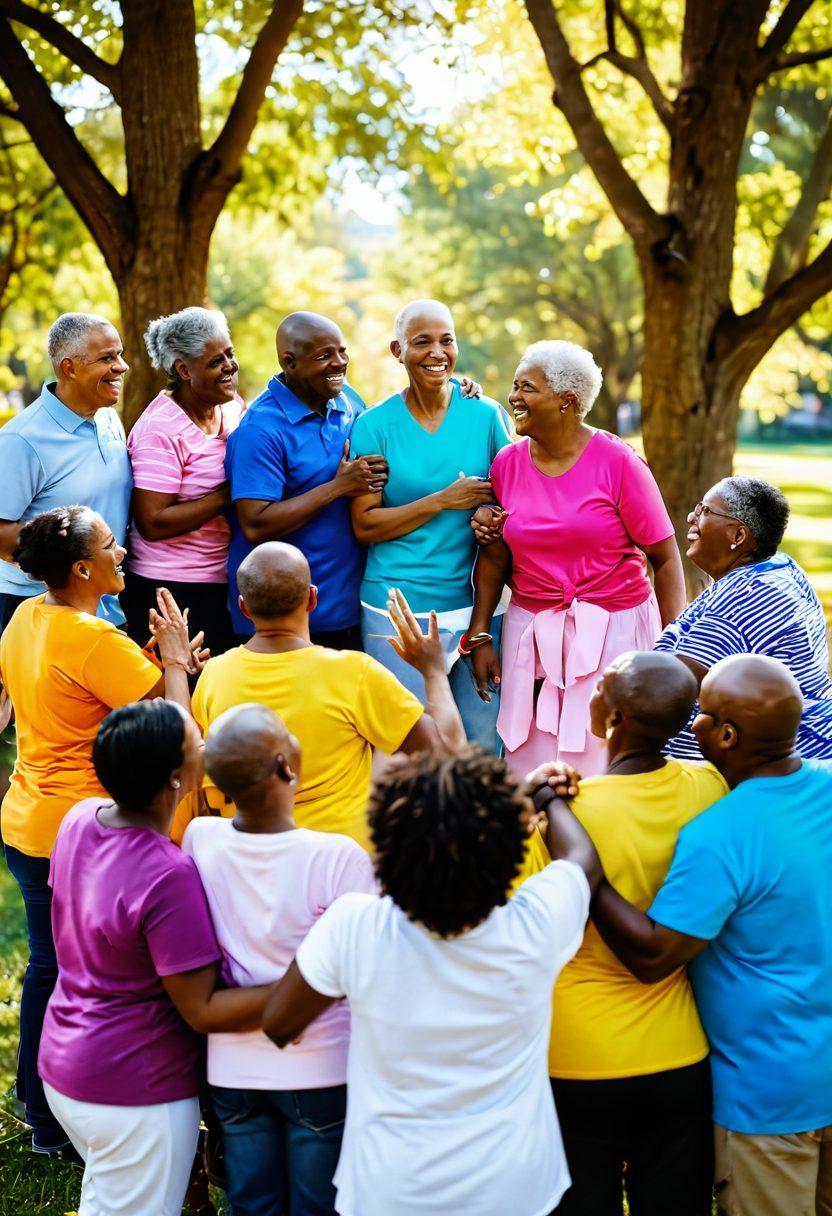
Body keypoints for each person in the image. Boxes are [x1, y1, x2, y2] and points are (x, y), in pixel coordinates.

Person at [262, 748, 601, 1216]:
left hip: (390, 1190)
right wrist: (541, 797)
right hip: (512, 1190)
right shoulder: (534, 926)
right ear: (507, 852)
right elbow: (583, 858)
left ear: (387, 848)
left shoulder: (355, 927)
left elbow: (279, 1022)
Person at [592, 654, 832, 1216]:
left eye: (701, 713)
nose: (691, 723)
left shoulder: (721, 834)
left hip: (769, 1099)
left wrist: (585, 869)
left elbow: (654, 955)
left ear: (727, 736)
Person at [0, 505, 200, 1155]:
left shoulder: (28, 616)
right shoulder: (93, 639)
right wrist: (176, 666)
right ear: (84, 569)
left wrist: (159, 661)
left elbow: (84, 691)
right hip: (75, 834)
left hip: (27, 819)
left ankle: (39, 1107)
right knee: (73, 974)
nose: (123, 552)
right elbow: (174, 734)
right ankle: (56, 1115)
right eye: (111, 544)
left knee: (47, 967)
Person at [39, 700, 278, 1216]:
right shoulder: (168, 874)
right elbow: (202, 1009)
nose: (205, 742)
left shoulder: (77, 820)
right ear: (176, 778)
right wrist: (309, 980)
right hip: (133, 1093)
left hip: (63, 1065)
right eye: (195, 739)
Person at [546, 651, 727, 1216]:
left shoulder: (562, 815)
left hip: (575, 1055)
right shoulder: (711, 788)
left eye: (602, 684)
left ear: (614, 717)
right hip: (679, 1052)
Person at [183, 703, 376, 1216]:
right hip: (321, 1068)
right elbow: (365, 969)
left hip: (233, 1069)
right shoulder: (338, 858)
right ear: (288, 767)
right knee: (318, 1206)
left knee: (253, 1204)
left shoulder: (199, 839)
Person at [469, 339, 684, 776]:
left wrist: (670, 648)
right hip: (531, 634)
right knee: (531, 763)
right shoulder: (507, 465)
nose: (513, 397)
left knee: (605, 758)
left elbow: (664, 557)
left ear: (566, 401)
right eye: (515, 386)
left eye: (527, 388)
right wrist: (480, 634)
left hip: (614, 633)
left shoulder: (619, 462)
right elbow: (494, 558)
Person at [174, 541, 465, 849]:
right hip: (340, 858)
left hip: (246, 854)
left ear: (243, 607)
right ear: (312, 598)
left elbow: (195, 758)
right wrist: (433, 671)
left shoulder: (214, 674)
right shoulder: (354, 673)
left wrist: (174, 666)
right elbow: (441, 752)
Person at [349, 299, 511, 752]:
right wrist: (443, 500)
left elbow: (514, 499)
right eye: (422, 342)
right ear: (397, 351)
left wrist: (490, 514)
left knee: (482, 744)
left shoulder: (486, 415)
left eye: (447, 341)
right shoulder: (374, 425)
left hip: (478, 606)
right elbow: (365, 524)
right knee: (414, 747)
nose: (437, 352)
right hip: (397, 608)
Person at [224, 312, 384, 649]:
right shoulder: (259, 429)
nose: (339, 362)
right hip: (280, 621)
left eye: (342, 351)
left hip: (348, 608)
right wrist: (337, 487)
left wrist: (456, 390)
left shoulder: (347, 400)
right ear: (289, 362)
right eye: (324, 355)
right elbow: (255, 524)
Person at [655, 476, 832, 759]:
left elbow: (667, 684)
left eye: (705, 511)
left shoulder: (745, 598)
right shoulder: (779, 565)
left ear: (738, 537)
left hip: (763, 764)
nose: (691, 517)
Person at [122, 307, 244, 658]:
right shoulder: (160, 429)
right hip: (171, 590)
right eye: (216, 361)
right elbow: (152, 522)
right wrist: (224, 498)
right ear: (184, 370)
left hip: (223, 578)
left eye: (230, 354)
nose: (230, 366)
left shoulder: (231, 406)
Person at [0, 312, 131, 632]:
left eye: (120, 355)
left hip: (106, 603)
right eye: (107, 358)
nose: (122, 366)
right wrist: (70, 571)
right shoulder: (22, 439)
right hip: (39, 608)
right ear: (69, 368)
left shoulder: (108, 417)